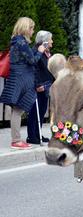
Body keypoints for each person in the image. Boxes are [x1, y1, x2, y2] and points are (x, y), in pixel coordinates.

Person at [0, 17, 46, 149]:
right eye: (31, 28)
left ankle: (16, 140)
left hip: (17, 78)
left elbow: (25, 58)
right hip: (21, 80)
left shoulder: (17, 42)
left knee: (17, 110)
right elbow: (32, 61)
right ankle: (16, 141)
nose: (33, 31)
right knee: (18, 110)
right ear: (26, 28)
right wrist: (40, 51)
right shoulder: (21, 43)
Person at [26, 31, 54, 145]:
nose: (52, 41)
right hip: (38, 86)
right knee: (34, 111)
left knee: (42, 111)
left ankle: (38, 134)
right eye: (51, 39)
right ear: (45, 41)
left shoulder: (46, 52)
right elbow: (34, 69)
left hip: (46, 84)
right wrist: (37, 84)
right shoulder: (36, 51)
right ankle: (31, 136)